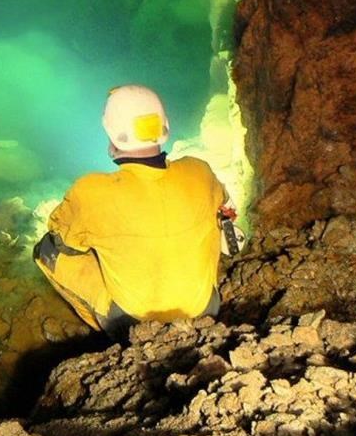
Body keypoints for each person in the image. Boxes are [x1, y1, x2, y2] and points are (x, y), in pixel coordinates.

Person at [33, 84, 238, 338]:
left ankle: (108, 333)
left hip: (132, 320)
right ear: (164, 126)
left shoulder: (92, 191)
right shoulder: (199, 171)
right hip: (205, 309)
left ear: (112, 134)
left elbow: (60, 239)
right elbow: (228, 208)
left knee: (47, 249)